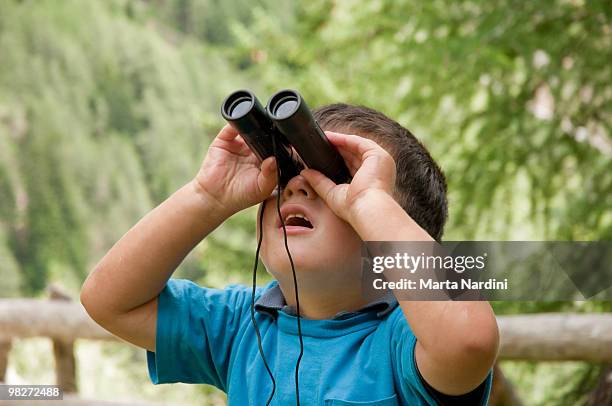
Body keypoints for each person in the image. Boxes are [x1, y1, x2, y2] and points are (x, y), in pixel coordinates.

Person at [80, 103, 499, 405]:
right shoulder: (242, 326)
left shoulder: (404, 343)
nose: (298, 187)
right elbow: (110, 301)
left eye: (336, 180)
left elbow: (469, 341)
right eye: (287, 174)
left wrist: (368, 201)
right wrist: (207, 197)